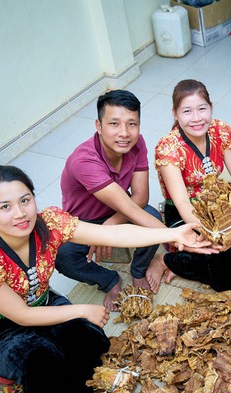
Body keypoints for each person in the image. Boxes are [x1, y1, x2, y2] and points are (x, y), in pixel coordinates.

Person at [0, 165, 205, 393]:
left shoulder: (50, 224)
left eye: (25, 200)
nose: (20, 214)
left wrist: (171, 234)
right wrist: (82, 310)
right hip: (5, 327)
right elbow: (23, 315)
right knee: (47, 369)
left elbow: (113, 236)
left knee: (91, 342)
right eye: (5, 207)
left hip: (44, 302)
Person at [147, 79, 231, 292]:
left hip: (219, 204)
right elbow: (181, 201)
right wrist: (214, 232)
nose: (197, 118)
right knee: (222, 258)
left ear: (211, 107)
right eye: (187, 111)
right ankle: (167, 260)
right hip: (187, 214)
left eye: (202, 109)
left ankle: (195, 262)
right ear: (175, 113)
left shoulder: (220, 130)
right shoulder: (168, 148)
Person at [55, 89, 166, 311]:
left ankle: (138, 269)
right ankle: (109, 280)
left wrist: (109, 226)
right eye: (114, 124)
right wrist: (176, 237)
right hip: (84, 221)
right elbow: (132, 206)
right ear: (98, 126)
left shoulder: (137, 143)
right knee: (63, 257)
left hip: (119, 210)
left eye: (131, 124)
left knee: (151, 218)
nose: (124, 133)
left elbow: (141, 197)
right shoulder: (84, 160)